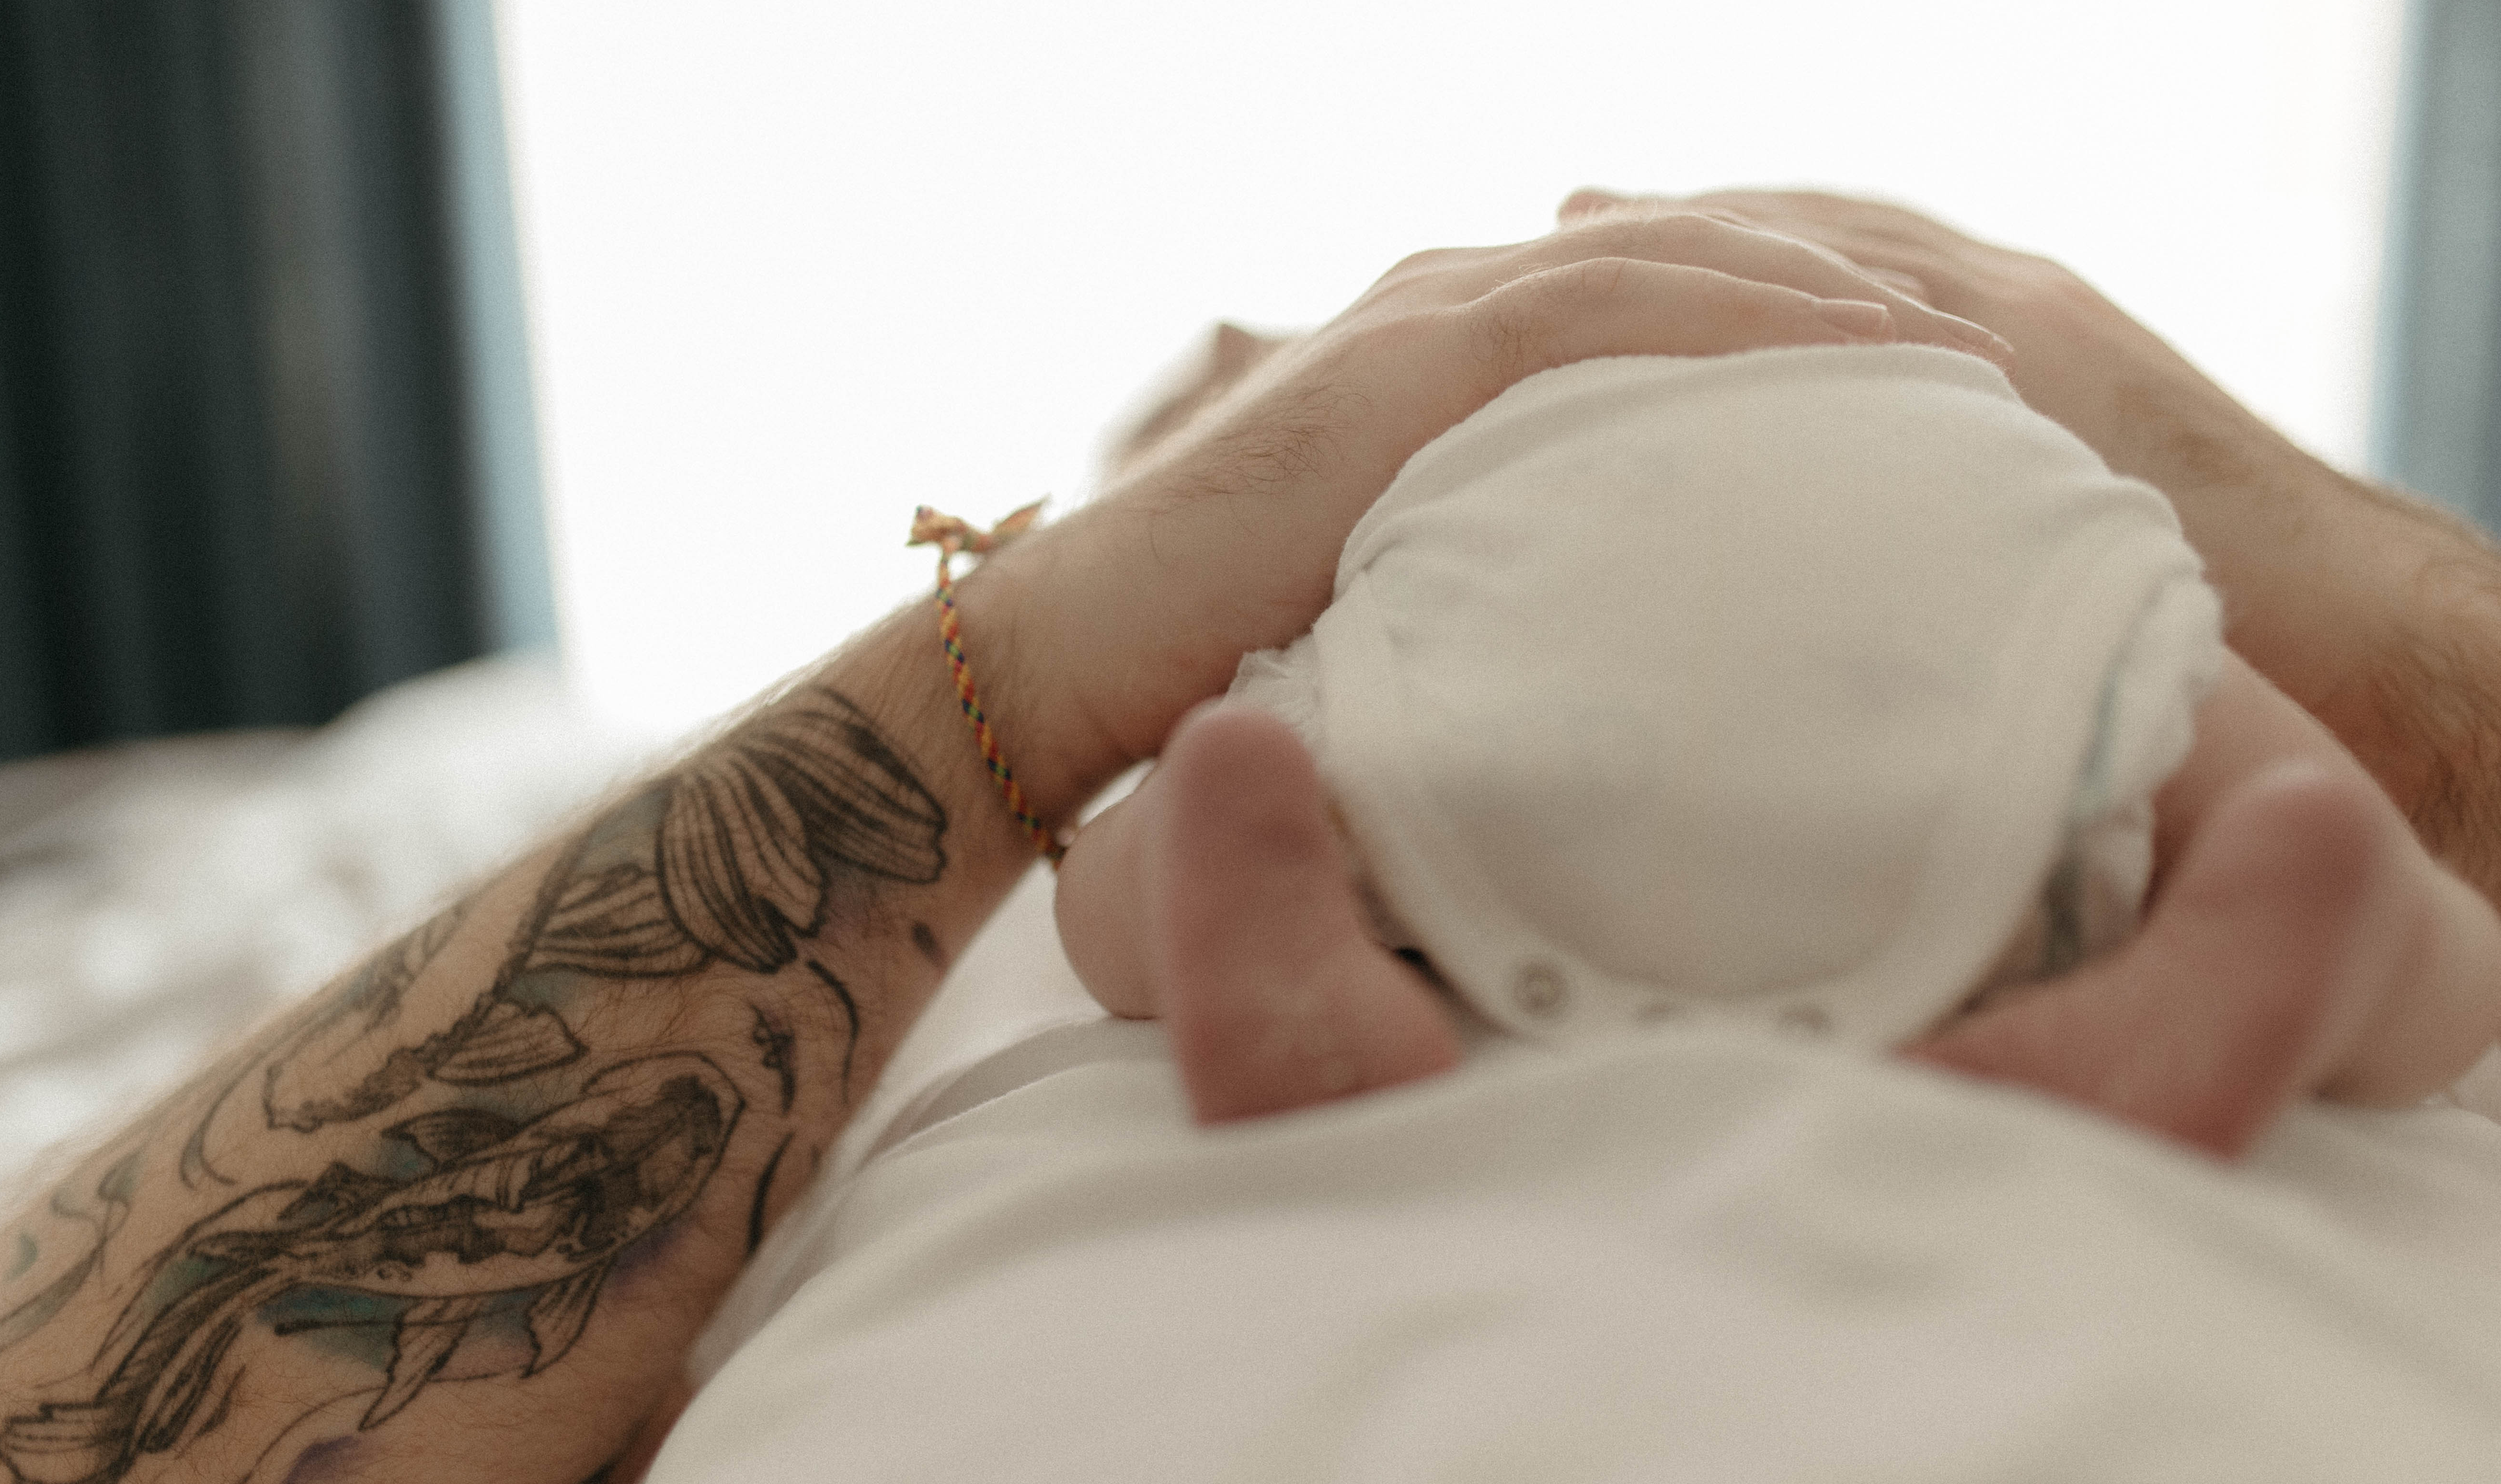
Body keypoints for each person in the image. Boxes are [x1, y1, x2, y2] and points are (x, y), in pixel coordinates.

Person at [0, 193, 2501, 1484]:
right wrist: (2287, 595)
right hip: (2247, 1360)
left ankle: (1254, 887)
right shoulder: (2062, 544)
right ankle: (2297, 905)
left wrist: (1074, 680)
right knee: (2249, 819)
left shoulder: (1089, 766)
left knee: (1255, 802)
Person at [1051, 336, 2501, 1160]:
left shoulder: (1393, 395)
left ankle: (1205, 852)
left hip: (1502, 579)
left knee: (1140, 869)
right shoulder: (1815, 316)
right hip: (1979, 501)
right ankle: (2350, 904)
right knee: (2192, 731)